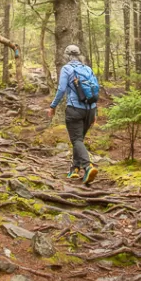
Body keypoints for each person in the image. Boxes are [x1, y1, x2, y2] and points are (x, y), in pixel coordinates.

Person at [48, 44, 98, 184]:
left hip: (75, 109)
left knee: (76, 140)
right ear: (78, 55)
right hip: (90, 110)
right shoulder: (88, 69)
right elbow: (95, 92)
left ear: (67, 56)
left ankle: (88, 167)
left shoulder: (67, 69)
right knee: (79, 140)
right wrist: (95, 112)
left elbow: (61, 89)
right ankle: (74, 169)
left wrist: (53, 106)